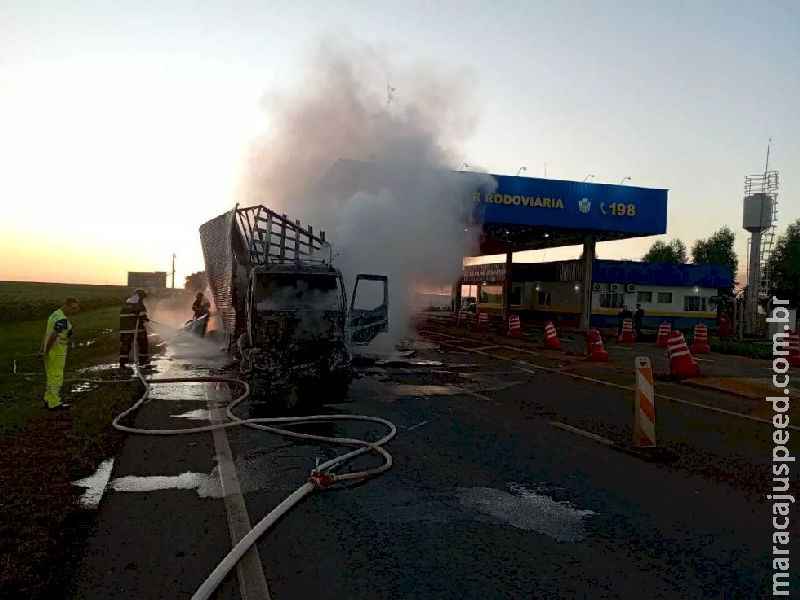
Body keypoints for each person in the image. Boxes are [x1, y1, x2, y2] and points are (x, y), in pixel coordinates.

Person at [40, 297, 80, 410]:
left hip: (52, 352)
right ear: (66, 305)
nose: (74, 311)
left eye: (76, 309)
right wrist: (46, 351)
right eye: (72, 308)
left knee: (51, 376)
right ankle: (54, 402)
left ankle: (48, 399)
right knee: (56, 377)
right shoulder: (61, 319)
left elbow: (46, 334)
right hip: (57, 352)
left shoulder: (54, 314)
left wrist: (42, 350)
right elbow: (53, 336)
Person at [119, 288, 149, 368]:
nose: (143, 300)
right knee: (143, 344)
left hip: (124, 330)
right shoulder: (140, 305)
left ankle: (122, 363)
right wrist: (146, 319)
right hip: (138, 329)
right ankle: (143, 362)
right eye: (142, 298)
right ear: (139, 297)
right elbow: (143, 318)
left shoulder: (126, 304)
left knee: (125, 346)